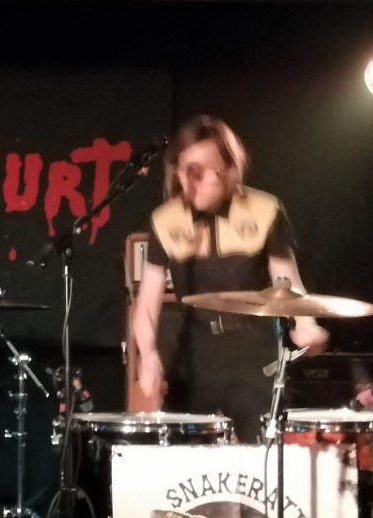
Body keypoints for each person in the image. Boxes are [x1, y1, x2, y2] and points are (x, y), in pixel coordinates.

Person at [131, 115, 329, 443]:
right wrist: (148, 354)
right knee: (184, 458)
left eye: (202, 171)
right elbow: (147, 302)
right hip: (192, 353)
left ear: (228, 169)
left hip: (254, 350)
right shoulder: (165, 220)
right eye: (184, 169)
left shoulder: (264, 209)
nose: (191, 180)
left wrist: (304, 323)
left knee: (263, 452)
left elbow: (287, 281)